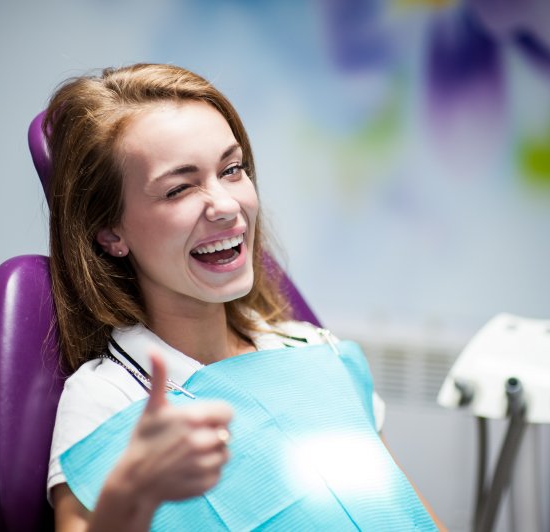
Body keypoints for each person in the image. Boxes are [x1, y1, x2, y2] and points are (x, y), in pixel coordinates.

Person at [44, 63, 443, 531]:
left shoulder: (313, 351)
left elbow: (403, 513)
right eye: (178, 188)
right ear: (110, 232)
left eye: (231, 170)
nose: (227, 205)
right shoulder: (109, 398)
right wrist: (127, 496)